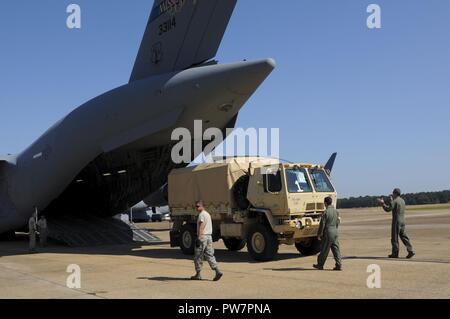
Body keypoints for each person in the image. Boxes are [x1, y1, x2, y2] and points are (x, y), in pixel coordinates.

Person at [377, 188, 415, 259]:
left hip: (396, 221)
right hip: (403, 221)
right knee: (404, 237)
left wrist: (382, 203)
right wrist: (391, 200)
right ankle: (410, 251)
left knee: (394, 238)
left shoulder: (395, 201)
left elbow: (388, 209)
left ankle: (395, 253)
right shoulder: (402, 200)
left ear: (394, 193)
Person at [191, 200, 223, 281]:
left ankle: (198, 274)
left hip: (203, 237)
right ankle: (217, 271)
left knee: (198, 256)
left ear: (202, 206)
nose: (197, 208)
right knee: (209, 255)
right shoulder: (208, 214)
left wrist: (198, 238)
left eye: (198, 206)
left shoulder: (201, 215)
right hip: (209, 237)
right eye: (196, 206)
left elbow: (201, 226)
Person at [313, 197, 342, 271]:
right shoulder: (336, 211)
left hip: (328, 232)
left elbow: (322, 224)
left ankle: (320, 265)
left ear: (325, 203)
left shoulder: (325, 212)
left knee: (324, 250)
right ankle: (339, 265)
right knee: (336, 250)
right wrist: (335, 229)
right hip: (335, 231)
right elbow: (338, 222)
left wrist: (319, 234)